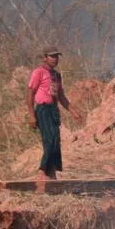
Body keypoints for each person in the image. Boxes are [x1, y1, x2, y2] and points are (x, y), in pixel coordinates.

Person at [27, 47, 82, 181]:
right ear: (45, 58)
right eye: (52, 56)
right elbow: (30, 94)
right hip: (43, 109)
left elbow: (61, 96)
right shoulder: (38, 72)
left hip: (53, 110)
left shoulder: (57, 75)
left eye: (57, 56)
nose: (55, 59)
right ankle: (42, 171)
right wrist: (31, 115)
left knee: (56, 140)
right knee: (49, 139)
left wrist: (73, 112)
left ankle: (51, 172)